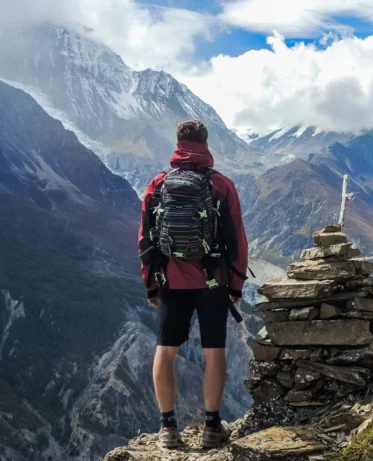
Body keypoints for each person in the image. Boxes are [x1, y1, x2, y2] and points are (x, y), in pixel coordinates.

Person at [138, 120, 249, 449]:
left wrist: (151, 285)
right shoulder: (222, 185)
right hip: (213, 280)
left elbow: (145, 239)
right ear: (206, 143)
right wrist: (236, 285)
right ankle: (212, 427)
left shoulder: (158, 184)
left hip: (171, 279)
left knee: (166, 351)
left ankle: (167, 429)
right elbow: (237, 240)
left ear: (178, 143)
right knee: (214, 352)